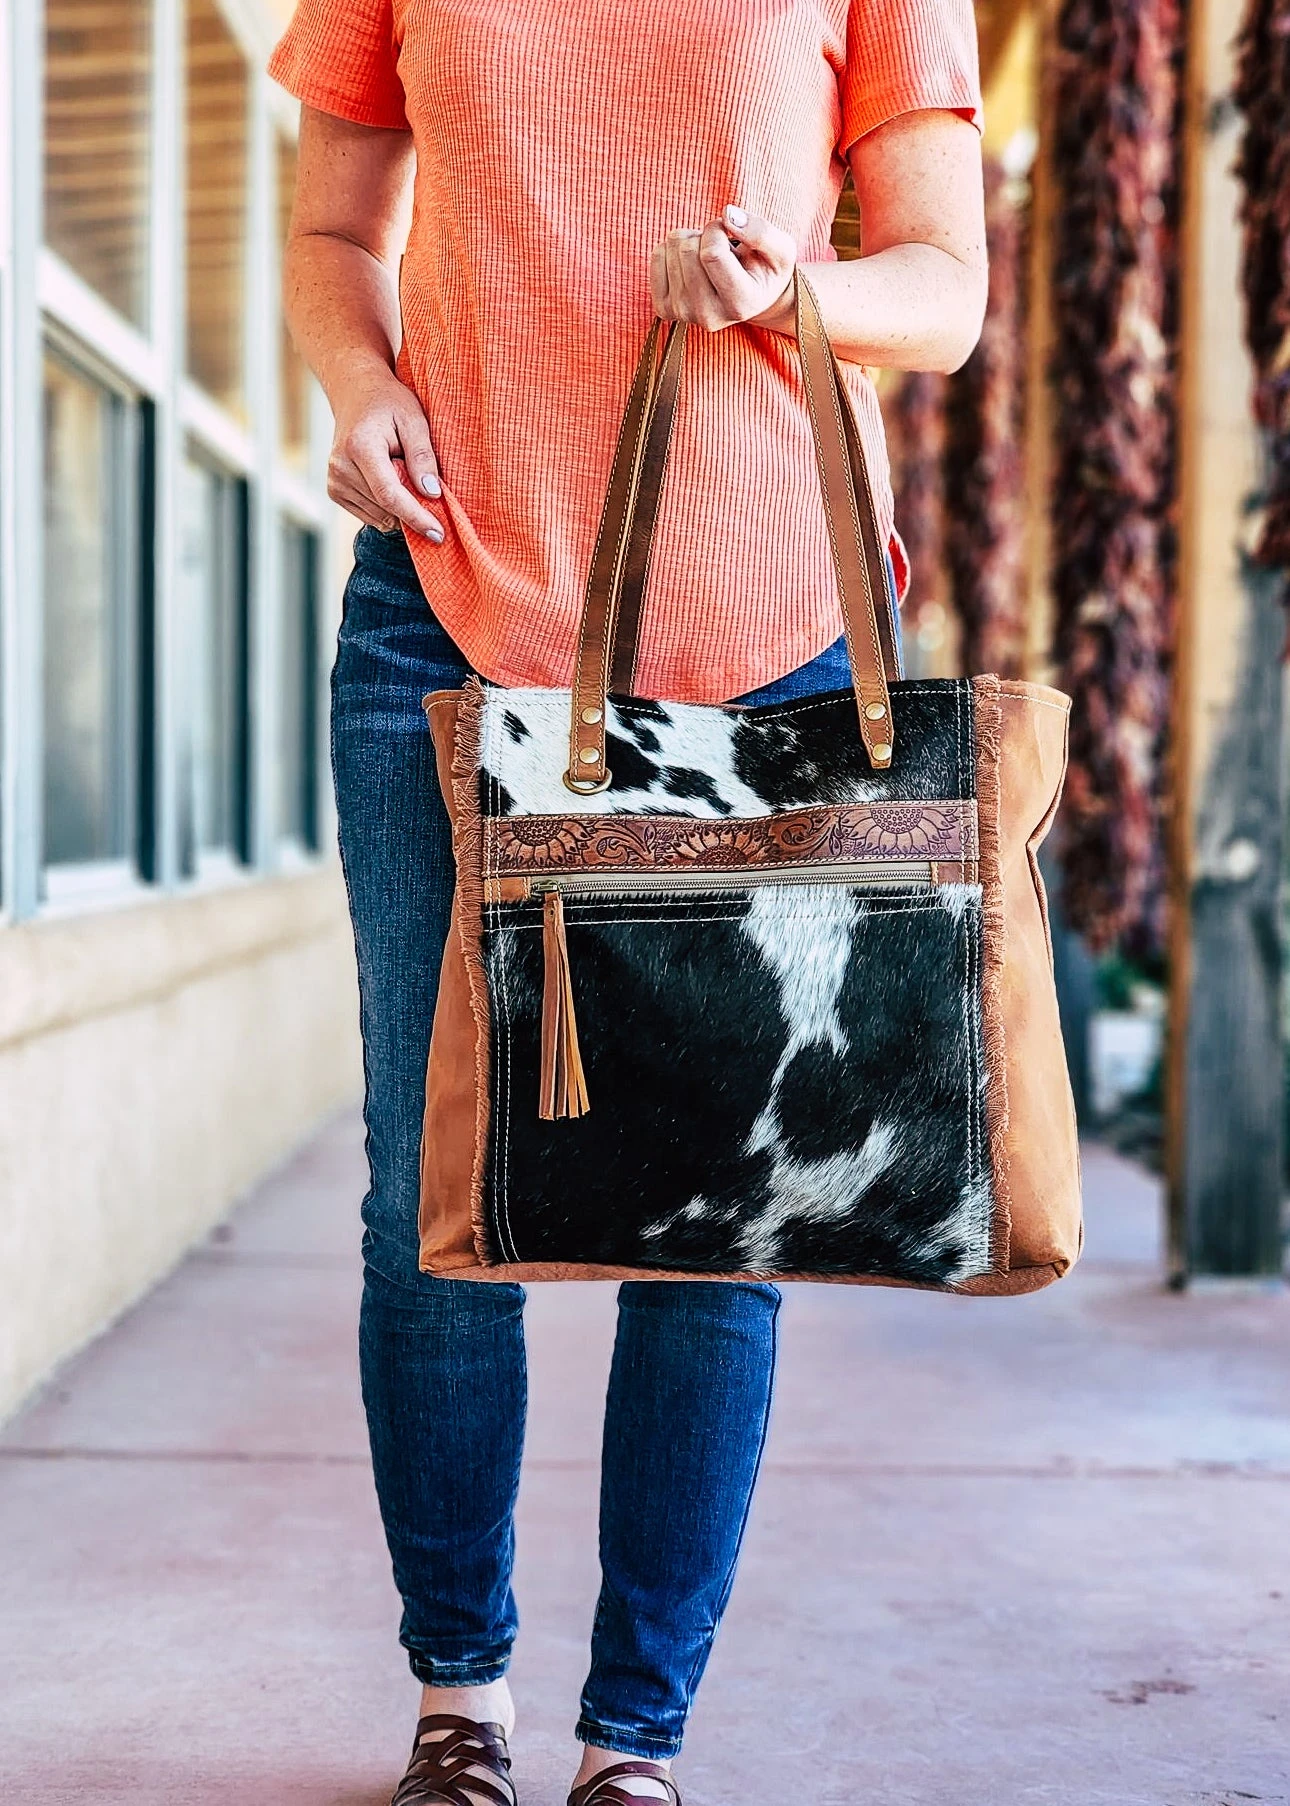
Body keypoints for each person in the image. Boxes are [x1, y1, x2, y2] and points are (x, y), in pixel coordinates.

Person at [270, 1, 986, 1799]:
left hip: (763, 643)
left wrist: (788, 287)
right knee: (430, 1186)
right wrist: (360, 389)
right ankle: (460, 1709)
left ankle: (632, 1743)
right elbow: (338, 228)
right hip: (442, 612)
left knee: (712, 1217)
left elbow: (945, 289)